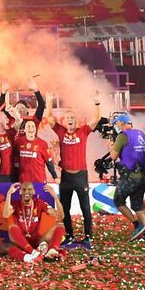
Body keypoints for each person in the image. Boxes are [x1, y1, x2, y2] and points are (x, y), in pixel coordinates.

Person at [48, 92, 103, 250]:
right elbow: (50, 119)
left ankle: (88, 238)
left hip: (81, 176)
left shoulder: (83, 131)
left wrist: (97, 102)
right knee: (65, 209)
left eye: (73, 118)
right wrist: (50, 101)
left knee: (85, 208)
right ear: (64, 121)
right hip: (66, 177)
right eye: (68, 119)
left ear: (76, 121)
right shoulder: (60, 132)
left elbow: (96, 120)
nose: (70, 120)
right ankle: (70, 236)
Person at [108, 114, 145, 241]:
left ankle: (137, 224)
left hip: (130, 176)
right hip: (144, 175)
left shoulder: (123, 136)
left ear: (121, 123)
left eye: (116, 124)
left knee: (118, 201)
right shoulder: (142, 135)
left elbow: (114, 156)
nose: (116, 126)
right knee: (137, 204)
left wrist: (111, 146)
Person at [3, 182, 66, 263]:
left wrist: (55, 197)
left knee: (60, 226)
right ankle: (33, 251)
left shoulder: (39, 203)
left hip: (37, 238)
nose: (26, 192)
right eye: (24, 189)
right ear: (20, 192)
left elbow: (60, 216)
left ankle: (52, 250)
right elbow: (5, 214)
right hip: (21, 240)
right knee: (12, 227)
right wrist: (9, 194)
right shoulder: (15, 204)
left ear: (34, 191)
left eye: (29, 189)